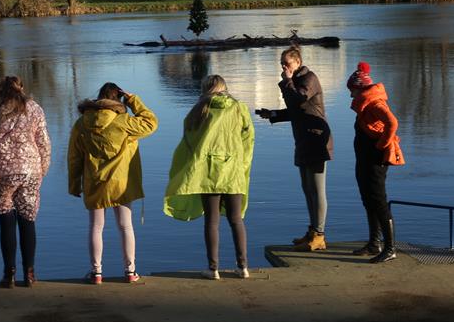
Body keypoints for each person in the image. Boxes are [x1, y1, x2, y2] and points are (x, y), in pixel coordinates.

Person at [165, 75, 255, 280]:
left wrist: (185, 167)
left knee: (211, 221)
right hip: (233, 170)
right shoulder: (239, 107)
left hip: (207, 172)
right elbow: (249, 138)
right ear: (225, 88)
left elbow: (188, 140)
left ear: (205, 89)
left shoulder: (199, 110)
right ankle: (243, 267)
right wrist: (242, 163)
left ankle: (213, 268)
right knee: (236, 219)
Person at [68, 83, 158, 284]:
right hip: (121, 183)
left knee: (96, 226)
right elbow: (151, 122)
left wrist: (74, 185)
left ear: (98, 99)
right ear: (118, 100)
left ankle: (96, 273)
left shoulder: (82, 124)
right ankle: (130, 272)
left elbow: (74, 157)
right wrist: (133, 100)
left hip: (95, 182)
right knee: (125, 226)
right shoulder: (124, 122)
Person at [0, 76, 51, 288]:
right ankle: (30, 273)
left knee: (6, 221)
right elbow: (44, 143)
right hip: (30, 170)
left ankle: (9, 274)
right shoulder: (33, 109)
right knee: (28, 219)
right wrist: (42, 170)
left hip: (1, 172)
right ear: (22, 89)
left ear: (0, 90)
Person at [256, 47, 333, 252]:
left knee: (318, 190)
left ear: (297, 62)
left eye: (286, 63)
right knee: (307, 189)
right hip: (303, 141)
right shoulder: (295, 82)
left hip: (317, 141)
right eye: (281, 63)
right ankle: (312, 232)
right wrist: (272, 114)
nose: (283, 66)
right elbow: (295, 111)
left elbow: (297, 99)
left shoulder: (309, 79)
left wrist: (286, 80)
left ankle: (320, 235)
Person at [347, 62, 405, 263]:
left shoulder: (375, 103)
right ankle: (374, 243)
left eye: (352, 91)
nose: (351, 95)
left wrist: (381, 145)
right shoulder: (366, 104)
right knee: (368, 200)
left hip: (375, 160)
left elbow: (393, 123)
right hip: (364, 159)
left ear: (360, 88)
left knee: (379, 201)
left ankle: (390, 248)